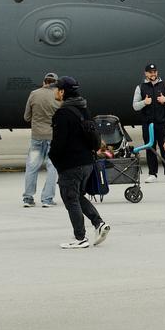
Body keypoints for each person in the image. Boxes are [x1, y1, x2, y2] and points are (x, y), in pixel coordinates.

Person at [49, 79, 109, 248]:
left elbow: (58, 144)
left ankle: (80, 237)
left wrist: (54, 159)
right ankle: (99, 223)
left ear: (62, 92)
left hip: (71, 164)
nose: (55, 92)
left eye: (57, 89)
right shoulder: (84, 110)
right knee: (76, 196)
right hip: (87, 163)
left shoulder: (62, 114)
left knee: (70, 199)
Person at [20, 72, 60, 206]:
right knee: (52, 167)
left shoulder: (34, 94)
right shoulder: (58, 97)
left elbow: (26, 117)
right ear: (55, 83)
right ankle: (47, 199)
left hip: (36, 137)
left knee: (31, 167)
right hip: (52, 137)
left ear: (44, 82)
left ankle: (28, 198)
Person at [133, 64, 165, 181]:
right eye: (150, 72)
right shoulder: (140, 87)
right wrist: (144, 102)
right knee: (150, 148)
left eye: (155, 71)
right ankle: (152, 174)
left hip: (163, 123)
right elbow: (135, 106)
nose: (153, 74)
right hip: (148, 124)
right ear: (145, 73)